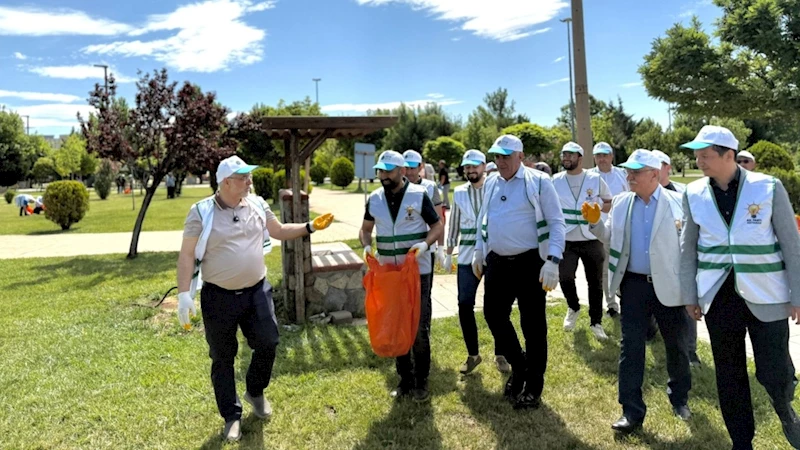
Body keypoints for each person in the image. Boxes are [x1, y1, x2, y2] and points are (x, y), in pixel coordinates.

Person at [176, 155, 334, 442]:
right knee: (222, 357)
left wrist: (309, 227)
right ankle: (231, 416)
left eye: (249, 176)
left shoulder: (258, 204)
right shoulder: (201, 212)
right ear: (226, 182)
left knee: (268, 342)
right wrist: (184, 294)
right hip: (218, 297)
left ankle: (255, 391)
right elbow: (187, 254)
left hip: (256, 291)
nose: (250, 181)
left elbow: (277, 231)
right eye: (243, 177)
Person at [680, 125, 800, 450]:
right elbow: (687, 247)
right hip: (719, 297)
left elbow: (792, 245)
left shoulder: (769, 188)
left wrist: (798, 296)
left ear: (729, 155)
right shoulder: (693, 194)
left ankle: (783, 406)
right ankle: (741, 441)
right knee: (729, 374)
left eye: (706, 155)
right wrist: (690, 296)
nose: (699, 160)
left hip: (768, 293)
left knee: (773, 370)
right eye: (698, 155)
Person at [583, 149, 692, 433]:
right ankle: (631, 411)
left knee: (676, 346)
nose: (628, 176)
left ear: (655, 175)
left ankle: (679, 398)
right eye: (628, 172)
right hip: (632, 286)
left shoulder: (678, 202)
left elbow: (689, 246)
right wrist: (595, 223)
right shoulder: (620, 203)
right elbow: (609, 237)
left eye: (635, 172)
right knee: (630, 348)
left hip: (668, 285)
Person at [473, 134, 565, 409]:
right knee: (493, 314)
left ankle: (533, 386)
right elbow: (483, 219)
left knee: (533, 325)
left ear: (520, 156)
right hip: (498, 262)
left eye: (506, 156)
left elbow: (557, 222)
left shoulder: (539, 182)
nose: (500, 162)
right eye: (497, 157)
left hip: (529, 262)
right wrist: (479, 250)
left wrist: (553, 260)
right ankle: (520, 365)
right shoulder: (490, 182)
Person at [360, 150, 444, 403]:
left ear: (402, 170)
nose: (383, 175)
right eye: (380, 170)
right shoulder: (374, 198)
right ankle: (404, 379)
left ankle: (421, 381)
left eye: (388, 170)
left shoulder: (419, 195)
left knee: (418, 327)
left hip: (418, 272)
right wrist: (365, 246)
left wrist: (426, 245)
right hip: (389, 273)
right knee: (396, 323)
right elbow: (365, 229)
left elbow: (437, 225)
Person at [445, 149, 510, 375]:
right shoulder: (460, 192)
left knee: (498, 306)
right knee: (464, 303)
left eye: (475, 166)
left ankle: (501, 353)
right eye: (467, 167)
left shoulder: (495, 188)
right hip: (465, 256)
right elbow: (453, 222)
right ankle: (473, 354)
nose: (471, 170)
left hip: (493, 255)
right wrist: (448, 251)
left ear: (484, 166)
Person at [553, 142, 612, 339]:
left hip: (591, 236)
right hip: (567, 237)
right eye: (564, 155)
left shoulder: (594, 179)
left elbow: (608, 202)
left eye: (570, 155)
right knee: (565, 277)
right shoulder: (556, 180)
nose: (566, 158)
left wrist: (598, 209)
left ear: (580, 157)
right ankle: (573, 307)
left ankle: (596, 322)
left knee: (595, 282)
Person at [652, 149, 699, 365]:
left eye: (659, 164)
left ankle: (690, 351)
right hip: (652, 265)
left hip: (680, 262)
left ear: (668, 168)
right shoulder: (639, 195)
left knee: (686, 306)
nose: (654, 168)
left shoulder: (683, 193)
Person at [589, 142, 629, 318]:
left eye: (605, 155)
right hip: (598, 230)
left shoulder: (622, 175)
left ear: (612, 156)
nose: (602, 159)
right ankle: (611, 305)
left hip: (622, 229)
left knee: (624, 267)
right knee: (605, 270)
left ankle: (626, 300)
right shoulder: (589, 177)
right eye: (598, 155)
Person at [403, 150, 446, 268]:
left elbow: (440, 219)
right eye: (406, 168)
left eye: (412, 168)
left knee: (424, 285)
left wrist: (441, 248)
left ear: (420, 166)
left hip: (426, 247)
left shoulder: (430, 187)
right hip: (402, 247)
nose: (409, 172)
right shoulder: (396, 188)